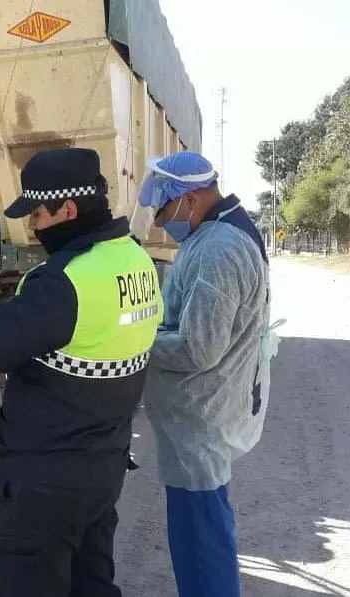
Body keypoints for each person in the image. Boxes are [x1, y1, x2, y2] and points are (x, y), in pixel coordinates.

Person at [0, 147, 163, 597]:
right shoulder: (134, 261)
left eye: (37, 214)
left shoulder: (65, 282)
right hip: (102, 468)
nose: (32, 226)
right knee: (91, 584)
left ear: (68, 209)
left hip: (46, 484)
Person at [138, 151, 279, 597]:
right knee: (205, 529)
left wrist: (135, 344)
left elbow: (198, 347)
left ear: (191, 198)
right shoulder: (216, 233)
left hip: (199, 423)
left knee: (202, 543)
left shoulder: (219, 250)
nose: (160, 223)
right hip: (199, 421)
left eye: (162, 210)